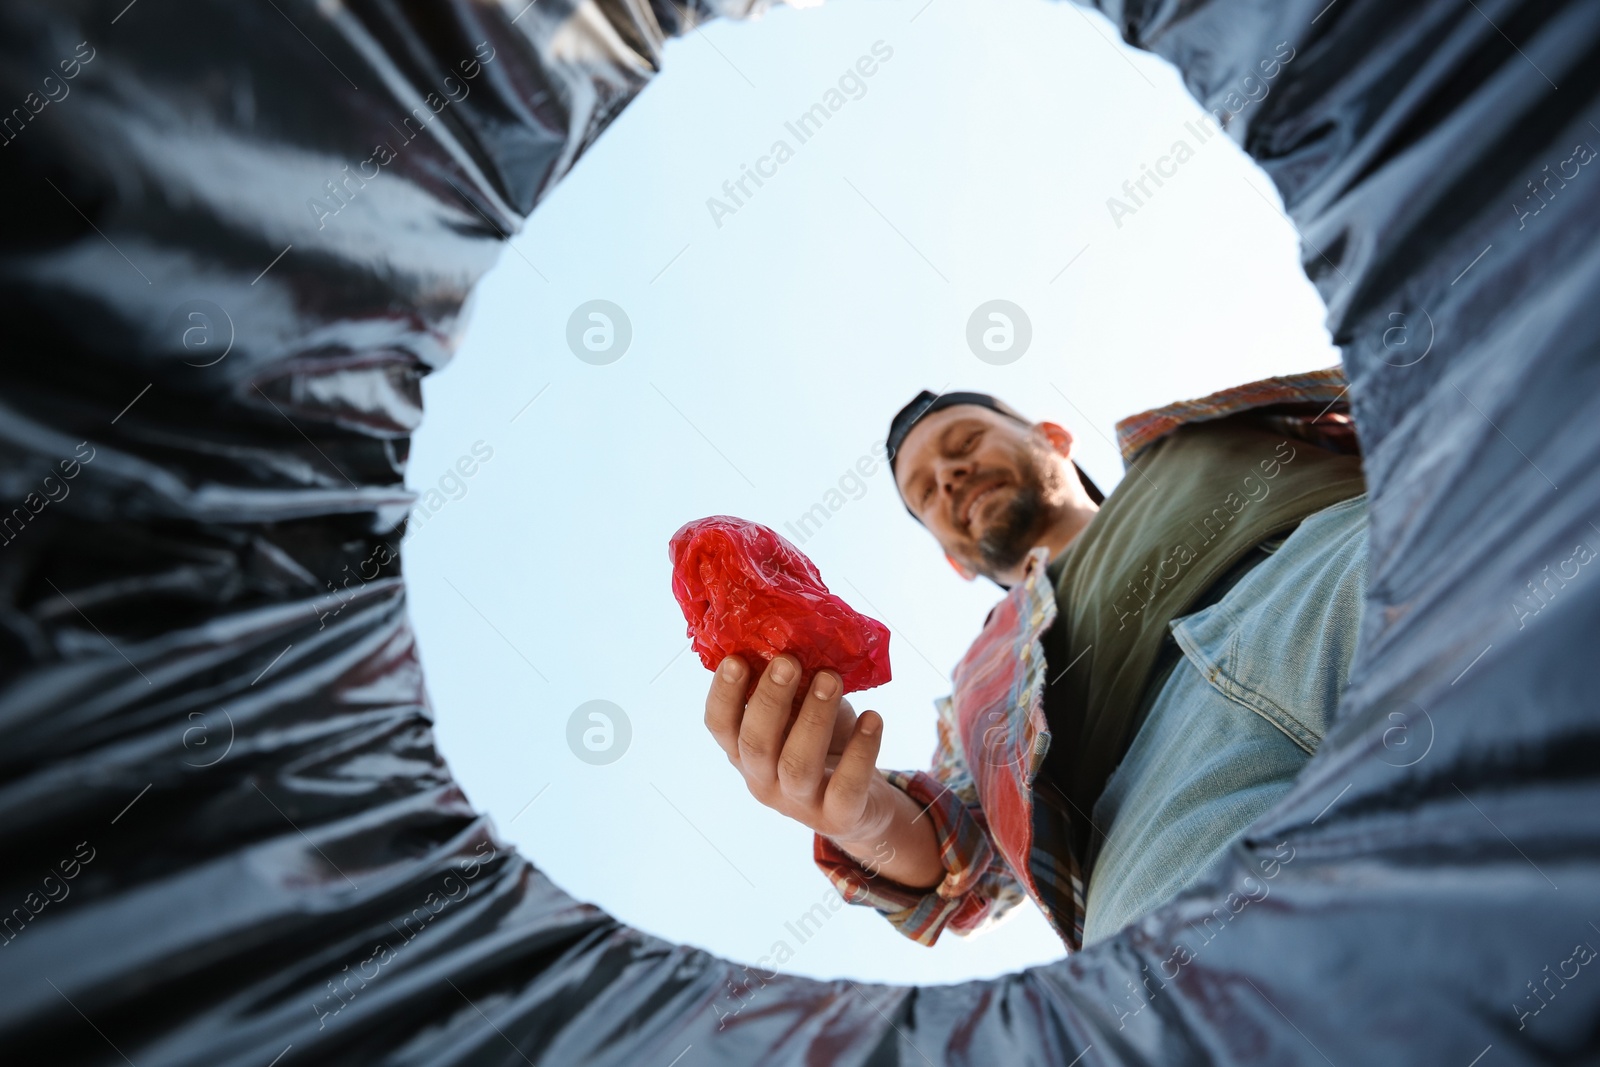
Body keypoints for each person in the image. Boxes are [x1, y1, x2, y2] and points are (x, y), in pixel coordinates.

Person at [702, 367, 1369, 949]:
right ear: (953, 559)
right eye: (927, 493)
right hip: (1150, 805)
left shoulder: (1198, 443)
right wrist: (856, 812)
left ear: (1052, 435)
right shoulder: (975, 688)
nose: (949, 475)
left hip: (1335, 568)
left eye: (963, 444)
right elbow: (965, 866)